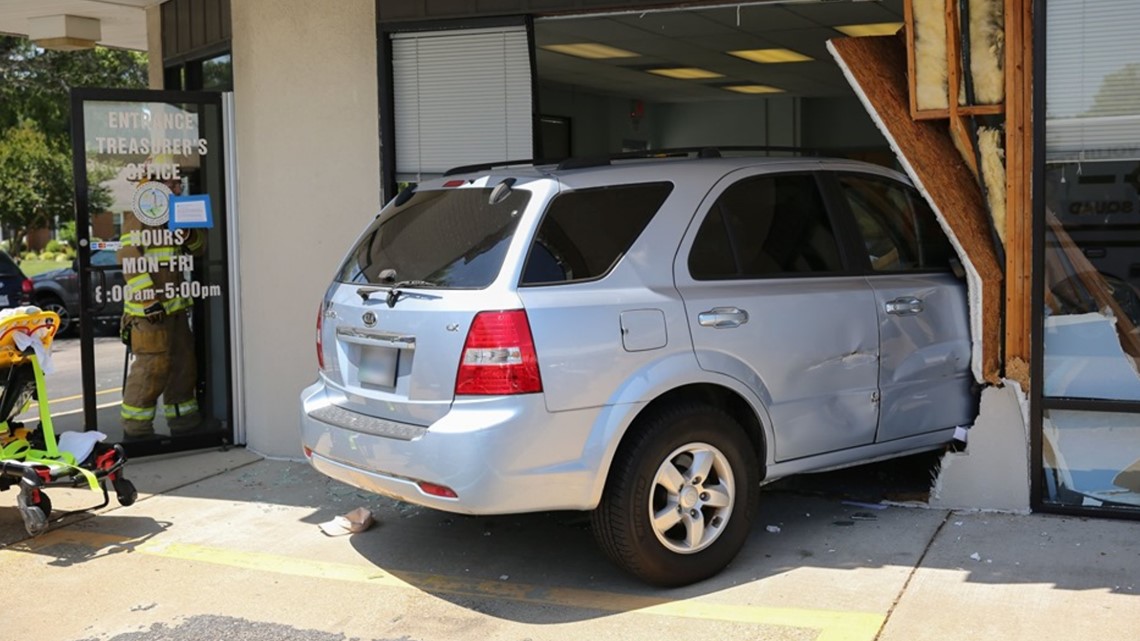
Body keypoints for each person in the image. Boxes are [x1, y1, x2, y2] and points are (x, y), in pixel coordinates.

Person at [118, 166, 206, 440]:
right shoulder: (140, 213)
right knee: (152, 367)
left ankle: (184, 424)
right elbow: (127, 255)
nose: (179, 189)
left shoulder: (177, 214)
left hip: (176, 308)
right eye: (173, 183)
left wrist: (188, 234)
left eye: (179, 183)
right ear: (156, 185)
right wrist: (148, 300)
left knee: (183, 365)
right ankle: (137, 429)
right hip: (149, 313)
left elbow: (201, 249)